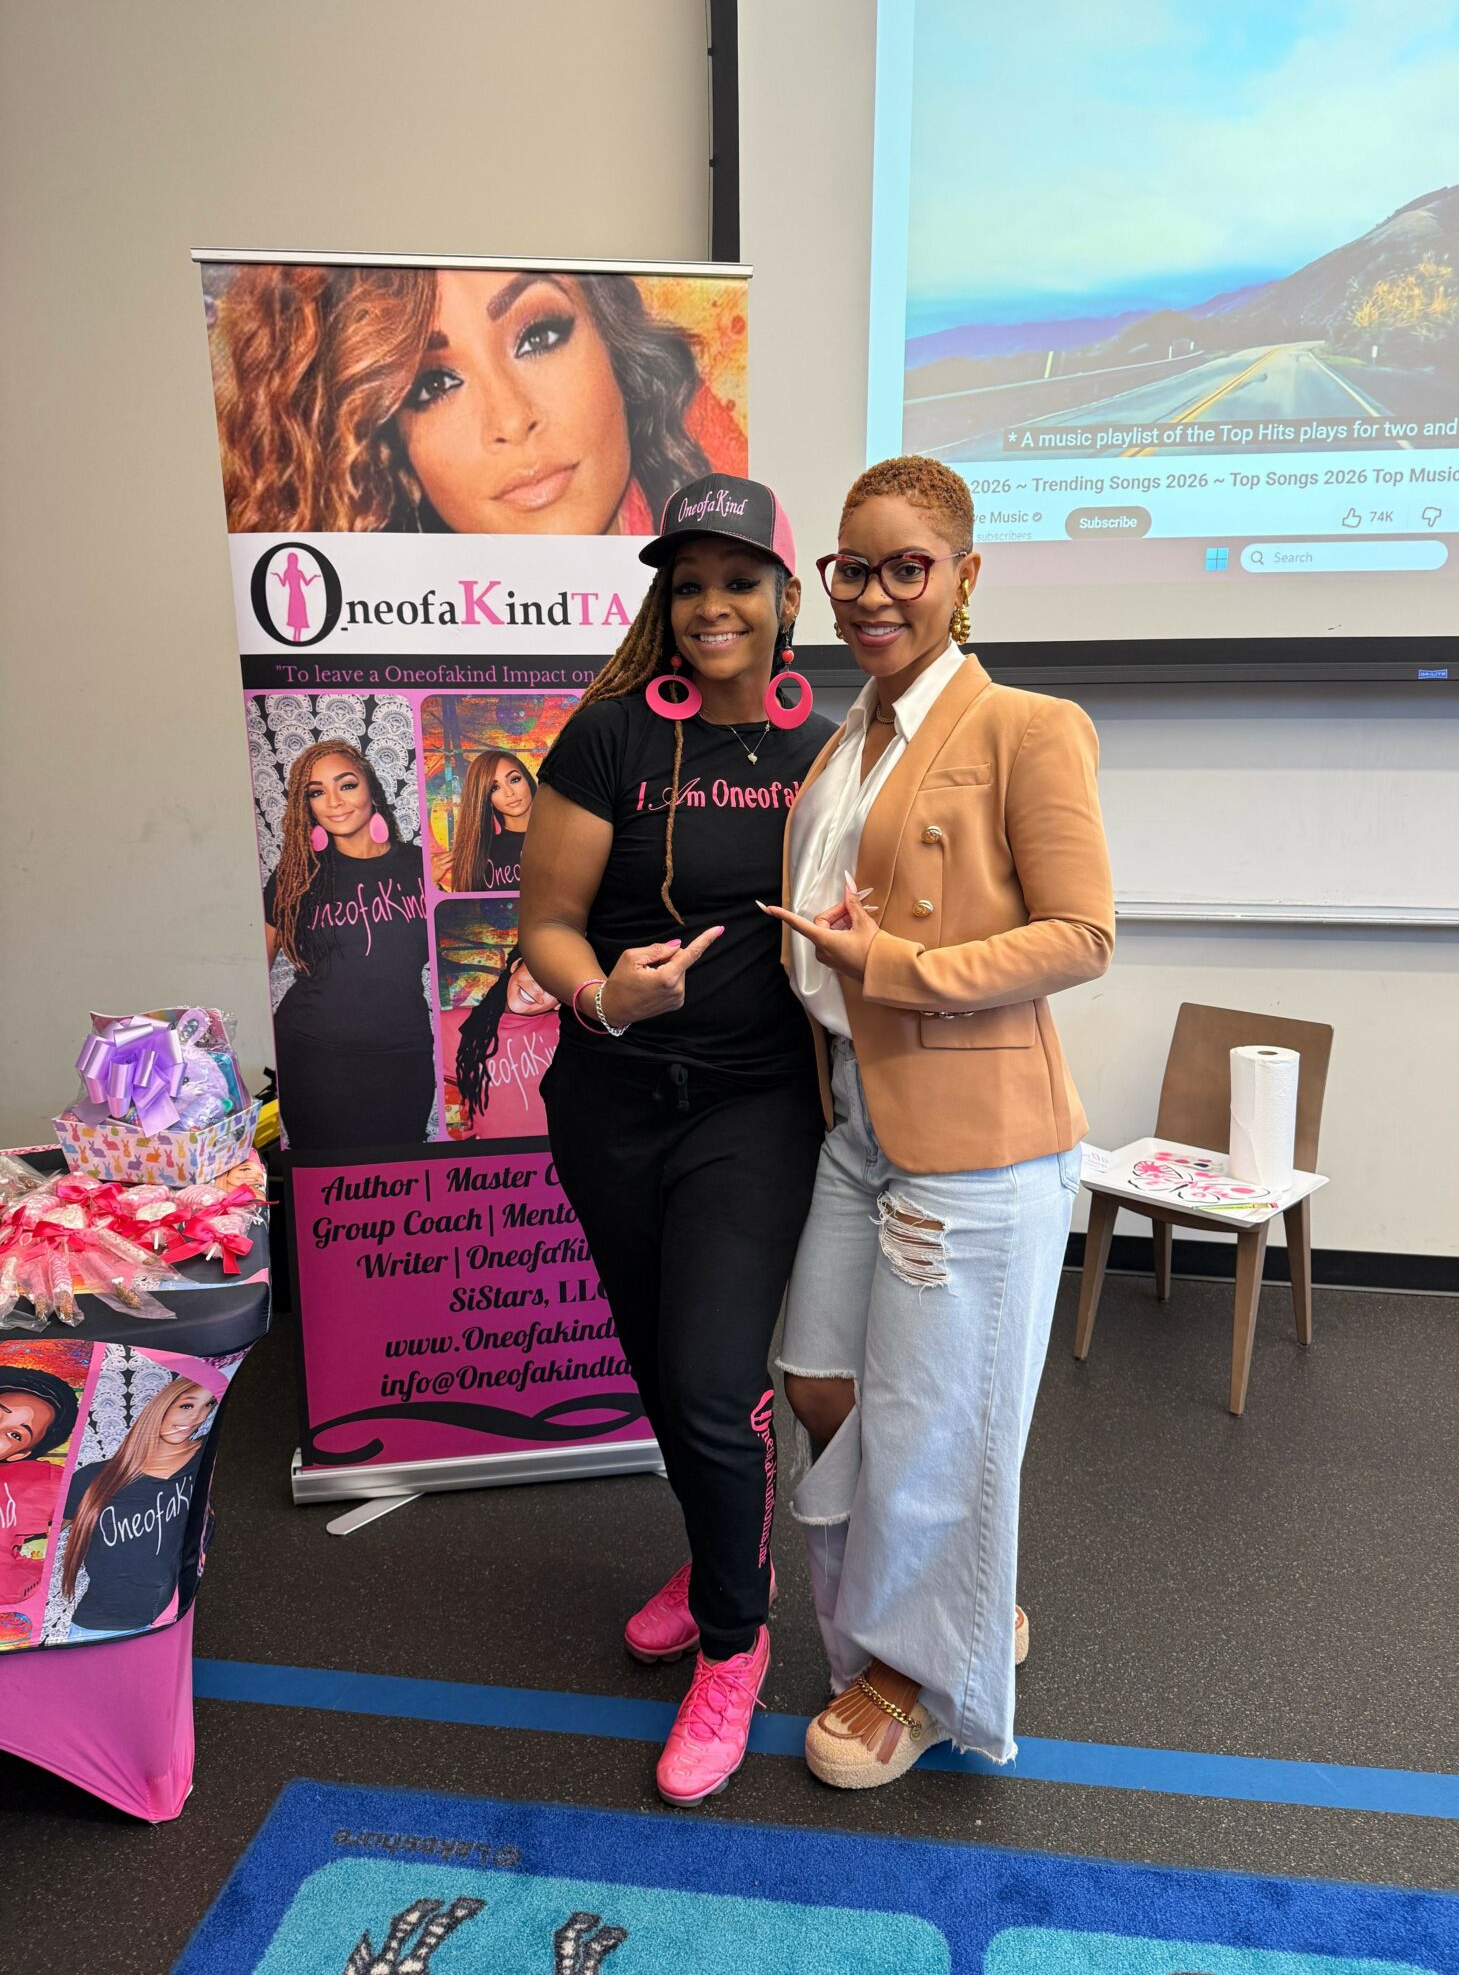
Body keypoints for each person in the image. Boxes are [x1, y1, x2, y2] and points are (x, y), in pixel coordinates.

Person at [763, 455, 1113, 1789]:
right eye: (854, 568)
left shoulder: (1026, 726)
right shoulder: (852, 738)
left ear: (965, 577)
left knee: (932, 1419)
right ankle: (966, 1606)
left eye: (907, 566)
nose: (873, 592)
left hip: (980, 1139)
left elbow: (1082, 934)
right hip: (857, 1120)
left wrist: (889, 969)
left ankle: (915, 1673)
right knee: (821, 1384)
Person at [518, 474, 833, 1806]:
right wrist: (603, 993)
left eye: (738, 580)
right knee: (661, 1365)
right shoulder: (606, 738)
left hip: (758, 1106)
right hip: (612, 1098)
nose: (712, 604)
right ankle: (716, 1550)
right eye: (688, 583)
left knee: (712, 1378)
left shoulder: (836, 745)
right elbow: (544, 923)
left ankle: (735, 1640)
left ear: (783, 596)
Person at [212, 266, 746, 535]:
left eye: (539, 336)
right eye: (434, 385)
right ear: (389, 452)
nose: (511, 420)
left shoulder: (732, 514)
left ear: (614, 345)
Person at [264, 738, 434, 1148]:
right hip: (315, 1057)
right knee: (330, 1188)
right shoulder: (295, 880)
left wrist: (459, 887)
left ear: (372, 790)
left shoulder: (423, 868)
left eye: (347, 785)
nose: (334, 802)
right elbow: (254, 969)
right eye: (317, 792)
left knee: (398, 1179)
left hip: (403, 1056)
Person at [60, 1376, 219, 1641]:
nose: (196, 1419)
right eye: (187, 1406)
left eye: (208, 1406)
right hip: (95, 1626)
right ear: (159, 1406)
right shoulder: (91, 1478)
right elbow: (43, 1533)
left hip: (167, 1621)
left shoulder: (202, 1457)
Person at [447, 944, 560, 1138]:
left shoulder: (568, 1030)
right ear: (517, 965)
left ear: (559, 1002)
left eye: (553, 986)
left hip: (562, 1160)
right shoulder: (453, 1026)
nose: (538, 988)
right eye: (537, 971)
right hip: (500, 1165)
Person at [0, 1366, 81, 1611]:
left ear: (20, 1455)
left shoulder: (37, 1482)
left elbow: (98, 1502)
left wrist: (37, 1571)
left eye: (15, 1434)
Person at [449, 750, 537, 893]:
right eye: (494, 788)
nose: (509, 793)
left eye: (514, 780)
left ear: (527, 779)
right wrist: (434, 886)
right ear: (486, 798)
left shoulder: (561, 838)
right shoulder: (480, 853)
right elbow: (468, 912)